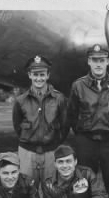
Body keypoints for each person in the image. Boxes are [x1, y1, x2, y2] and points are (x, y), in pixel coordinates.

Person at [68, 44, 109, 194]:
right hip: (87, 141)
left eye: (102, 60)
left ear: (108, 62)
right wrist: (82, 133)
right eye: (95, 60)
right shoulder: (78, 86)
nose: (98, 64)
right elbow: (72, 114)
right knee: (84, 182)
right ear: (89, 62)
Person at [12, 55, 69, 191]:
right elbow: (17, 125)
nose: (39, 78)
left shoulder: (59, 99)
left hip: (51, 151)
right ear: (29, 75)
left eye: (42, 74)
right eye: (35, 74)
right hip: (27, 152)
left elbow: (65, 125)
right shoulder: (21, 100)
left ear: (48, 75)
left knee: (51, 190)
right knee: (26, 189)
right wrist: (28, 140)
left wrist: (54, 142)